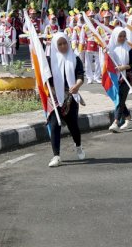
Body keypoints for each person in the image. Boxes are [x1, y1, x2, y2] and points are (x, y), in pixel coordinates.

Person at [47, 32, 86, 167]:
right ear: (55, 45)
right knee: (54, 125)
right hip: (54, 96)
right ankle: (56, 156)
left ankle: (79, 145)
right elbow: (45, 77)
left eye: (65, 43)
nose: (63, 46)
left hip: (70, 97)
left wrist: (77, 85)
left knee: (73, 126)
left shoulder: (75, 58)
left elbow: (80, 75)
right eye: (60, 44)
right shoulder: (49, 60)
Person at [107, 27, 132, 132]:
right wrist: (104, 53)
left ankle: (116, 122)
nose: (122, 38)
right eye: (120, 36)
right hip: (114, 78)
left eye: (124, 36)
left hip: (126, 77)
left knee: (120, 99)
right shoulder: (110, 48)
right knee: (119, 99)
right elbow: (107, 62)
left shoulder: (129, 48)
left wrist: (124, 67)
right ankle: (128, 119)